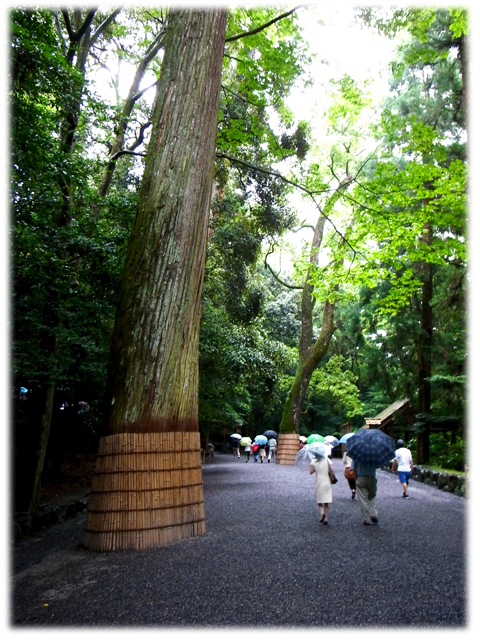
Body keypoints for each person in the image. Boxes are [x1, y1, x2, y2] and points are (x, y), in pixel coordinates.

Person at [351, 457, 378, 525]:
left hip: (361, 477)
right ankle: (373, 513)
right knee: (372, 495)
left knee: (363, 498)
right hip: (372, 477)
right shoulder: (373, 455)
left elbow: (354, 470)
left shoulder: (357, 455)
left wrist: (355, 480)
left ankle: (366, 519)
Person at [309, 454, 334, 525]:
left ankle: (322, 512)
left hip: (319, 482)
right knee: (326, 501)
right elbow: (332, 470)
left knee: (319, 500)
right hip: (327, 481)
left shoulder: (314, 461)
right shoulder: (327, 460)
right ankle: (326, 519)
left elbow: (311, 472)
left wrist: (314, 469)